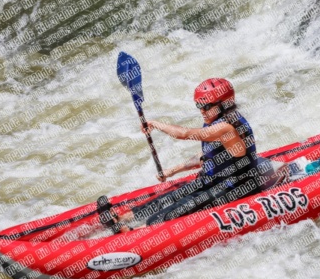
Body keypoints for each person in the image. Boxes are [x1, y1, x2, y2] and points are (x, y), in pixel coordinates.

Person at [99, 78, 262, 233]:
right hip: (211, 181)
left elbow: (184, 134)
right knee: (169, 198)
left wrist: (155, 124)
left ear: (224, 104)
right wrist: (173, 171)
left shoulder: (226, 128)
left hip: (233, 189)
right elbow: (206, 156)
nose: (201, 110)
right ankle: (121, 218)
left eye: (206, 105)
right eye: (199, 104)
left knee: (177, 209)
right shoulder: (214, 121)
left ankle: (134, 232)